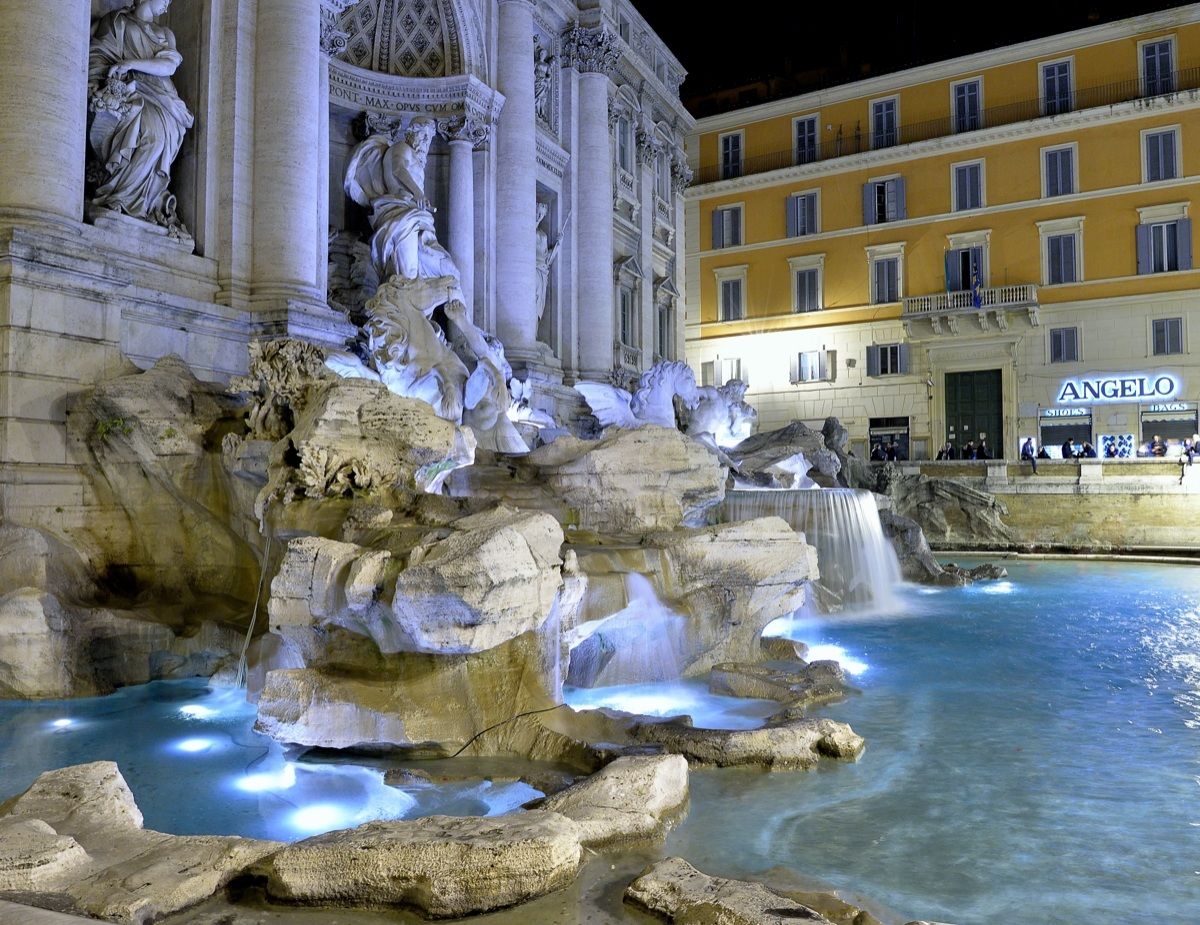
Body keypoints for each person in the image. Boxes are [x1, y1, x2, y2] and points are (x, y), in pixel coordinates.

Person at [88, 0, 194, 234]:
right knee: (151, 132)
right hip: (130, 91)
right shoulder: (116, 22)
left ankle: (140, 202)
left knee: (161, 136)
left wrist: (130, 63)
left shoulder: (164, 32)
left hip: (162, 96)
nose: (167, 5)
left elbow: (169, 65)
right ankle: (121, 197)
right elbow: (98, 54)